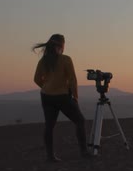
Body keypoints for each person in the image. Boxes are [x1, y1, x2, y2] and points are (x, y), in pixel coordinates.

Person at [33, 34, 93, 162]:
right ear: (61, 45)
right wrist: (75, 96)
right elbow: (72, 80)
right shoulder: (65, 59)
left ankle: (50, 156)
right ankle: (83, 152)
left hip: (46, 96)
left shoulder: (43, 61)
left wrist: (47, 87)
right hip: (62, 96)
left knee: (49, 126)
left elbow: (36, 79)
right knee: (80, 121)